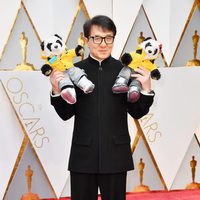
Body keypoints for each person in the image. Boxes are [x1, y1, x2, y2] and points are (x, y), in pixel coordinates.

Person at [50, 15, 155, 200]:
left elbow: (138, 112)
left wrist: (146, 89)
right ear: (86, 40)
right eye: (97, 38)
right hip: (83, 156)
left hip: (116, 155)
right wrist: (56, 90)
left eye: (109, 38)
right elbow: (65, 114)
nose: (103, 44)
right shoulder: (75, 71)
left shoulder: (125, 71)